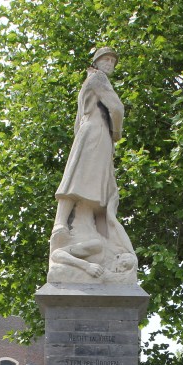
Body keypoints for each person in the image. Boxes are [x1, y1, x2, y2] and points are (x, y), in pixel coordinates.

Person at [48, 47, 137, 283]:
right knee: (81, 180)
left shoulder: (90, 80)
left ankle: (62, 224)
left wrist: (81, 136)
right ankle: (60, 224)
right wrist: (115, 133)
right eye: (106, 59)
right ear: (97, 62)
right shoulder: (98, 77)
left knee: (85, 181)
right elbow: (117, 108)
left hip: (88, 133)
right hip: (98, 133)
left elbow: (79, 119)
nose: (110, 63)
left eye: (113, 61)